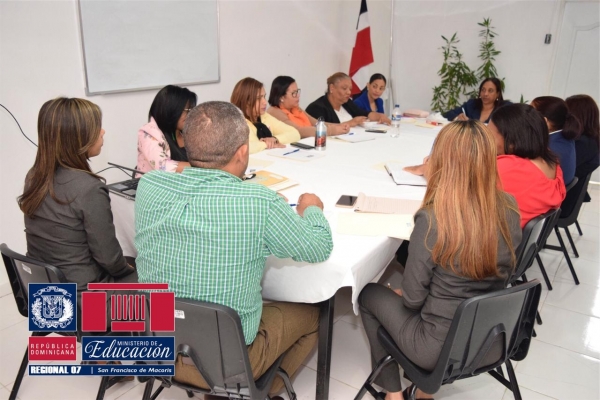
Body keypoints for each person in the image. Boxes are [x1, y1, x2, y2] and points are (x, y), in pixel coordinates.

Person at [134, 101, 333, 397]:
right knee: (315, 315)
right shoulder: (259, 202)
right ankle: (256, 393)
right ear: (242, 152)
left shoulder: (149, 186)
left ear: (185, 143)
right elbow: (319, 247)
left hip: (158, 350)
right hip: (230, 364)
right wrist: (312, 209)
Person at [359, 120, 521, 400]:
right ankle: (423, 394)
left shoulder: (433, 218)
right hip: (490, 338)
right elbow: (503, 273)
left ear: (443, 162)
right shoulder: (509, 206)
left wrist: (406, 294)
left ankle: (394, 395)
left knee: (368, 294)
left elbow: (412, 300)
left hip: (436, 348)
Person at [19, 98, 138, 321]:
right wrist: (129, 269)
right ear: (78, 138)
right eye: (96, 127)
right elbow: (109, 259)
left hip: (45, 297)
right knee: (159, 280)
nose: (103, 132)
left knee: (130, 261)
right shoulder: (89, 188)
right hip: (84, 303)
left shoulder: (34, 177)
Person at [488, 103, 566, 228]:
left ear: (512, 141)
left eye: (489, 135)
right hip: (519, 236)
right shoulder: (552, 162)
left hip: (497, 236)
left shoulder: (508, 167)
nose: (486, 140)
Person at [137, 85, 197, 173]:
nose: (190, 114)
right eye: (187, 110)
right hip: (157, 181)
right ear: (171, 110)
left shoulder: (188, 132)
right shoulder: (148, 133)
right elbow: (163, 166)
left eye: (192, 110)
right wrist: (202, 168)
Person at [230, 77, 300, 154]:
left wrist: (275, 139)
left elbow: (295, 133)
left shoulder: (264, 116)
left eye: (264, 97)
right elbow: (244, 148)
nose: (265, 102)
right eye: (259, 98)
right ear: (246, 102)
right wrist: (266, 144)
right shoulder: (236, 123)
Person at [267, 75, 351, 138]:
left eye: (297, 91)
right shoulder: (274, 112)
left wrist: (339, 126)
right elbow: (298, 131)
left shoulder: (295, 108)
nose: (298, 96)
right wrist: (333, 130)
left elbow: (316, 123)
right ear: (281, 97)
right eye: (294, 93)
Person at [306, 72, 391, 126]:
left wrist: (379, 116)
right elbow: (322, 128)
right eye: (344, 88)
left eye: (350, 89)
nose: (349, 92)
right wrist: (351, 123)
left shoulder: (347, 103)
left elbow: (364, 113)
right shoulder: (317, 108)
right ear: (332, 88)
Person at [531, 96, 581, 185]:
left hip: (547, 191)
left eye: (530, 114)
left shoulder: (549, 148)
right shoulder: (563, 138)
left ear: (545, 121)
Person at [563, 94, 600, 213]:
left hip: (564, 201)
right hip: (566, 194)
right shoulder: (590, 139)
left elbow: (559, 171)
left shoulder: (583, 143)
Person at [443, 77, 509, 123]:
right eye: (483, 90)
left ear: (497, 94)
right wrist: (457, 118)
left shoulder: (505, 108)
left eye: (490, 91)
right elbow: (448, 114)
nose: (485, 94)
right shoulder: (472, 104)